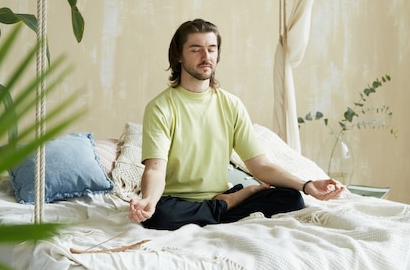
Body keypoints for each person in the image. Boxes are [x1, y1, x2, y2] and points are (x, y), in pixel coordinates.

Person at [129, 19, 344, 230]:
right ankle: (229, 203)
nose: (206, 57)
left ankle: (220, 205)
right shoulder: (161, 107)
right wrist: (148, 200)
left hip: (216, 196)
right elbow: (155, 170)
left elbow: (260, 166)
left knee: (291, 198)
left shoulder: (231, 104)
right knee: (158, 216)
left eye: (212, 49)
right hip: (178, 201)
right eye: (196, 49)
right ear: (178, 55)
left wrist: (308, 185)